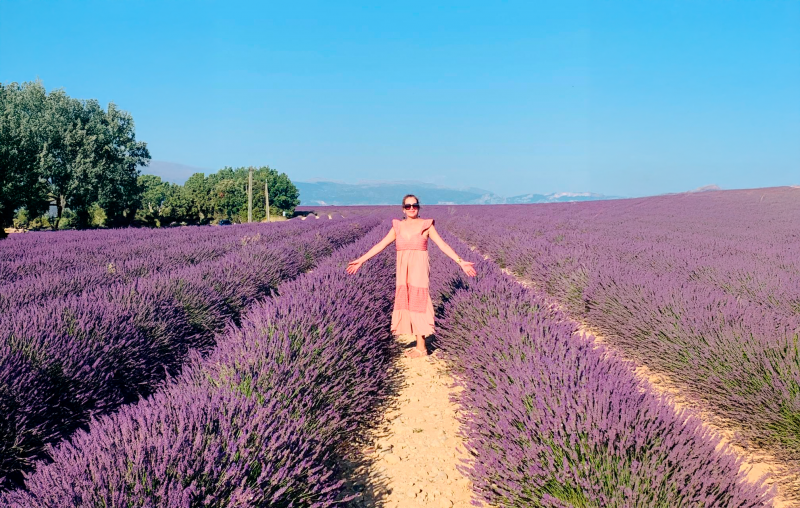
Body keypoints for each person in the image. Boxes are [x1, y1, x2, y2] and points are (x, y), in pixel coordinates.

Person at [346, 194, 477, 358]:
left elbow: (442, 244)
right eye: (408, 206)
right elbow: (380, 245)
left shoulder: (426, 225)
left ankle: (421, 347)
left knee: (418, 302)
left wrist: (460, 261)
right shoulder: (397, 226)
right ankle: (418, 344)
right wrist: (360, 260)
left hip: (419, 268)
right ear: (403, 209)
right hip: (403, 269)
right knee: (407, 302)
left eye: (414, 205)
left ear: (418, 207)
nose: (411, 208)